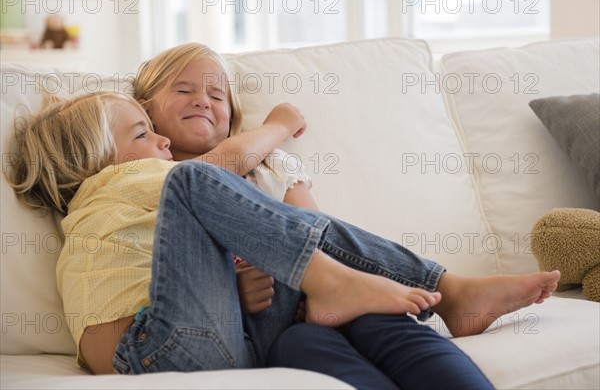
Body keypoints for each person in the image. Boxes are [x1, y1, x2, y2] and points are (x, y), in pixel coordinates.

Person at [5, 91, 560, 389]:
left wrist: (227, 285)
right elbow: (219, 169)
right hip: (152, 353)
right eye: (144, 134)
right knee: (197, 178)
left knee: (322, 308)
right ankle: (409, 284)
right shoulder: (112, 187)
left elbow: (172, 277)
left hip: (214, 345)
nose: (166, 140)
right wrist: (278, 123)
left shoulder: (125, 212)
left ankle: (430, 292)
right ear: (95, 159)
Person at [130, 44, 560, 389]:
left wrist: (322, 284)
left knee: (382, 321)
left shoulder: (268, 167)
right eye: (183, 90)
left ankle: (451, 299)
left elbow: (314, 234)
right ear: (145, 112)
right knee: (305, 340)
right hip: (252, 323)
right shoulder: (144, 178)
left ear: (232, 120)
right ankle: (446, 289)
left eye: (217, 94)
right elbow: (175, 259)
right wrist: (278, 124)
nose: (203, 101)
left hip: (317, 296)